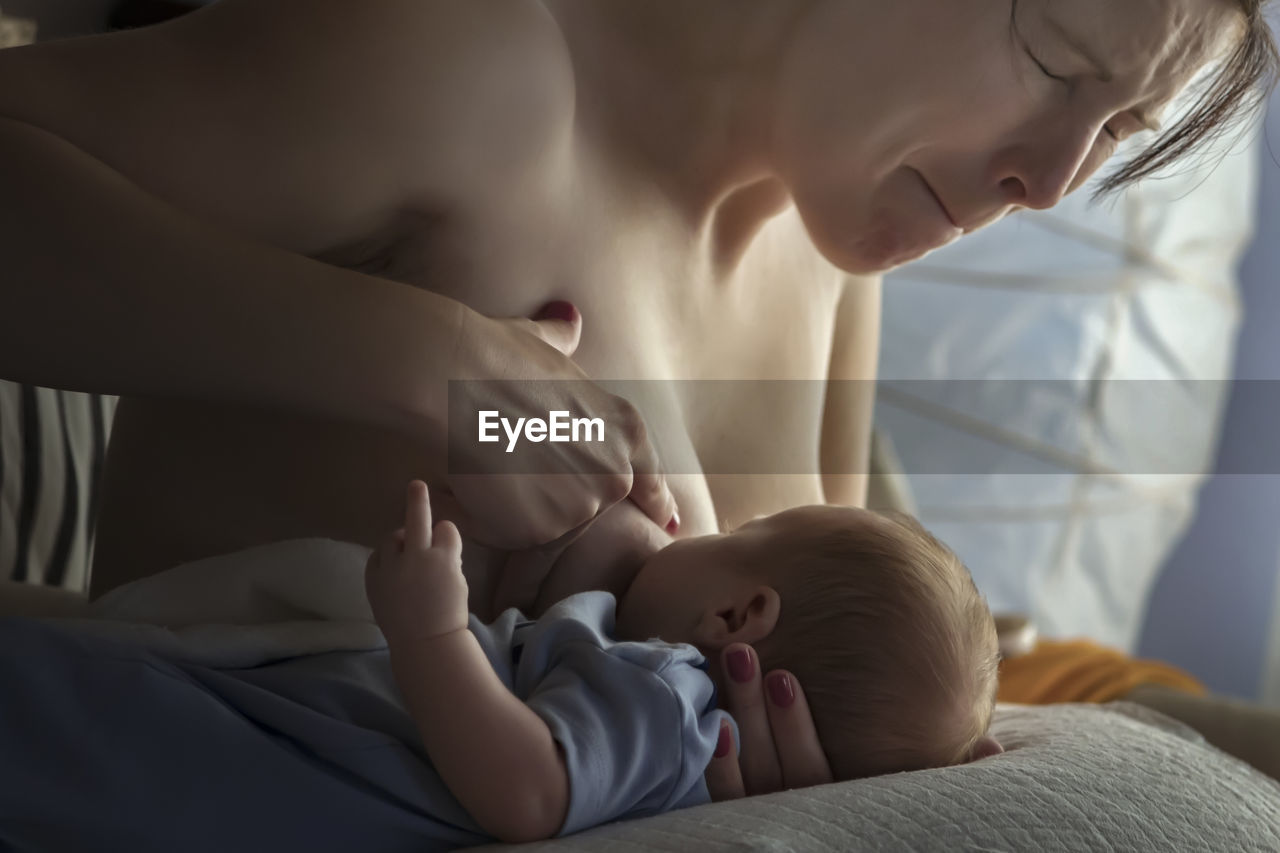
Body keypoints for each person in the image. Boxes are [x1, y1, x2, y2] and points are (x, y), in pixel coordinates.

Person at [0, 0, 1273, 801]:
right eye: (1054, 58)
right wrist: (402, 357)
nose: (1050, 181)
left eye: (1117, 130)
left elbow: (861, 640)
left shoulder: (828, 255)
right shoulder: (462, 67)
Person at [375, 479, 1002, 842]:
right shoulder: (660, 715)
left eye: (735, 532)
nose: (704, 530)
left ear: (732, 618)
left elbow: (528, 792)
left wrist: (431, 631)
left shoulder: (667, 693)